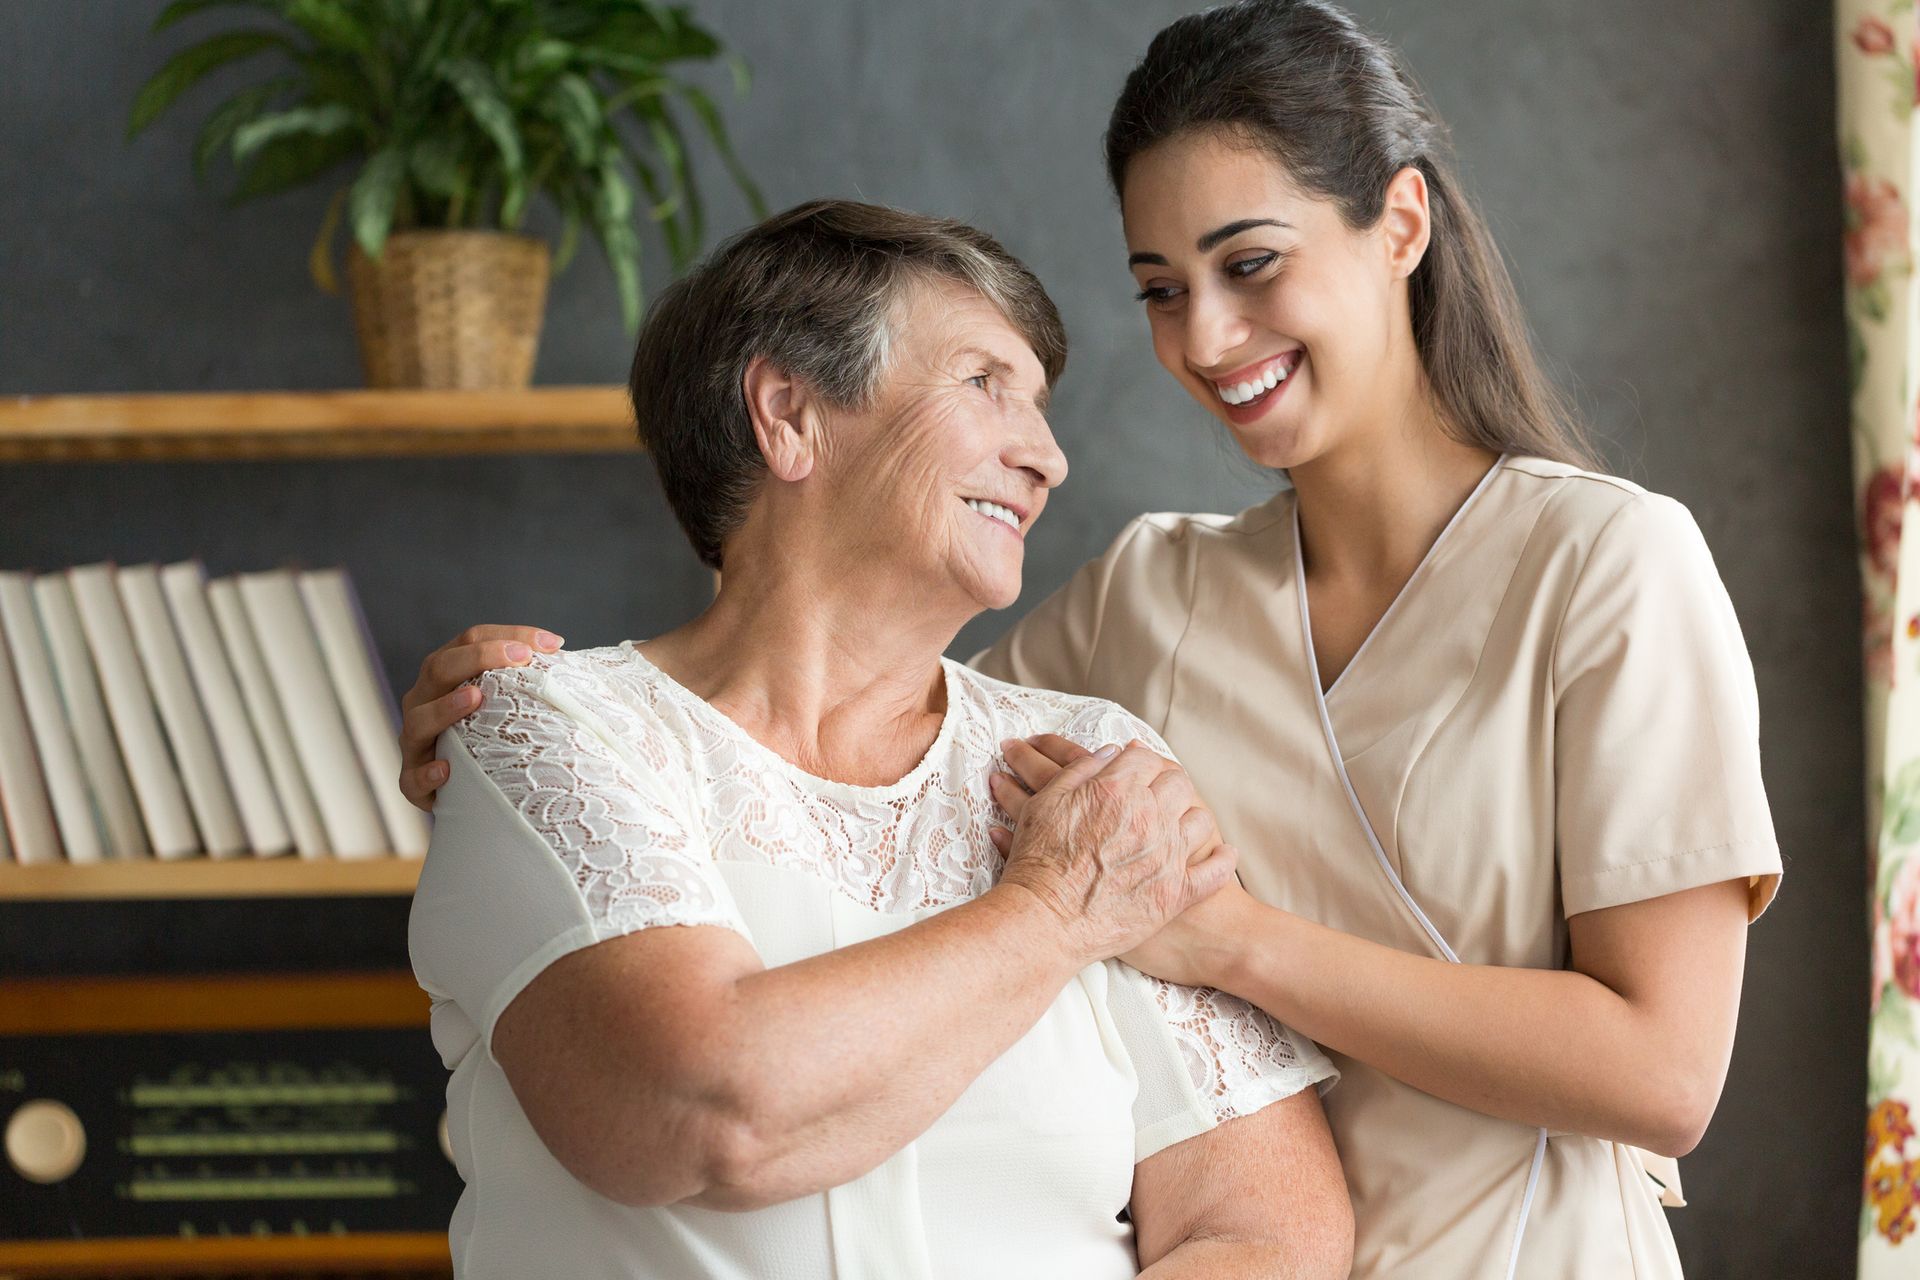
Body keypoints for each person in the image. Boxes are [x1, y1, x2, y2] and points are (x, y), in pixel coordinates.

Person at [400, 2, 1782, 1275]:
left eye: (1249, 264)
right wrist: (521, 719)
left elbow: (1666, 1074)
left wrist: (1227, 941)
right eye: (1162, 288)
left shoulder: (1607, 563)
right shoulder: (1154, 596)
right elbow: (848, 733)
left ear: (1401, 223)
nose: (1208, 334)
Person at [406, 199, 1349, 1280]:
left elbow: (1270, 1231)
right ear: (790, 414)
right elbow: (698, 1112)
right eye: (985, 382)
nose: (1047, 459)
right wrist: (1052, 911)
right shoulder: (548, 726)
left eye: (1040, 408)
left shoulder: (1088, 761)